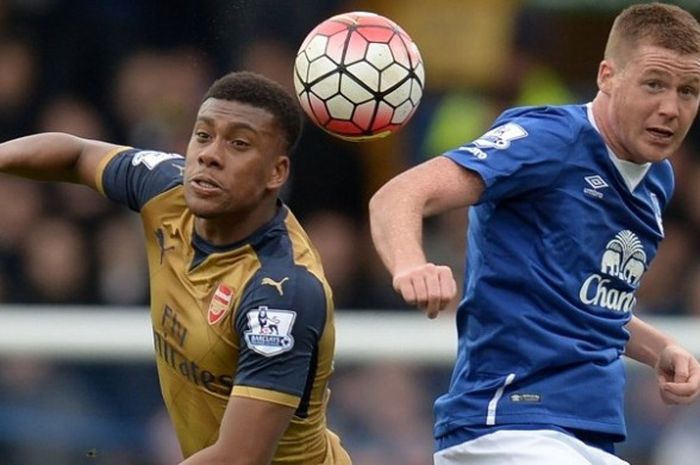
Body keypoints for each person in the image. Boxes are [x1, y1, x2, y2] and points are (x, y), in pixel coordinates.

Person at [369, 3, 700, 465]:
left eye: (689, 90)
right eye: (654, 84)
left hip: (583, 434)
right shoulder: (550, 139)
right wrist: (410, 262)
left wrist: (660, 348)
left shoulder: (657, 179)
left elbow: (582, 305)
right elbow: (399, 194)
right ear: (607, 76)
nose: (671, 108)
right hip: (507, 425)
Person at [0, 71, 351, 465]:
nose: (209, 155)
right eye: (203, 135)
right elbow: (77, 154)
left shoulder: (282, 292)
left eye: (238, 143)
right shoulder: (167, 189)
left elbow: (240, 458)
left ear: (277, 172)